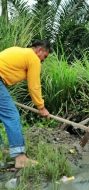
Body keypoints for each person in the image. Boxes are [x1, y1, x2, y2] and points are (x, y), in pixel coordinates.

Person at [0, 40, 52, 168]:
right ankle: (20, 158)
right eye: (44, 56)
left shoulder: (20, 51)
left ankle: (1, 152)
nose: (43, 60)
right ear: (39, 50)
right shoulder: (33, 58)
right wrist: (41, 107)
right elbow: (34, 86)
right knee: (12, 116)